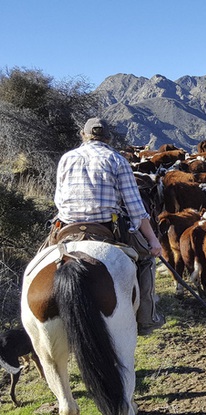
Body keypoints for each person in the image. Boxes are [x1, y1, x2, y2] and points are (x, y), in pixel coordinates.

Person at [53, 117, 165, 335]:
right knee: (145, 260)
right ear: (108, 138)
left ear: (83, 135)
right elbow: (135, 207)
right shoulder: (116, 160)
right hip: (105, 227)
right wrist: (152, 240)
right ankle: (146, 317)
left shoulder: (66, 158)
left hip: (68, 226)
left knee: (41, 257)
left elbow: (59, 199)